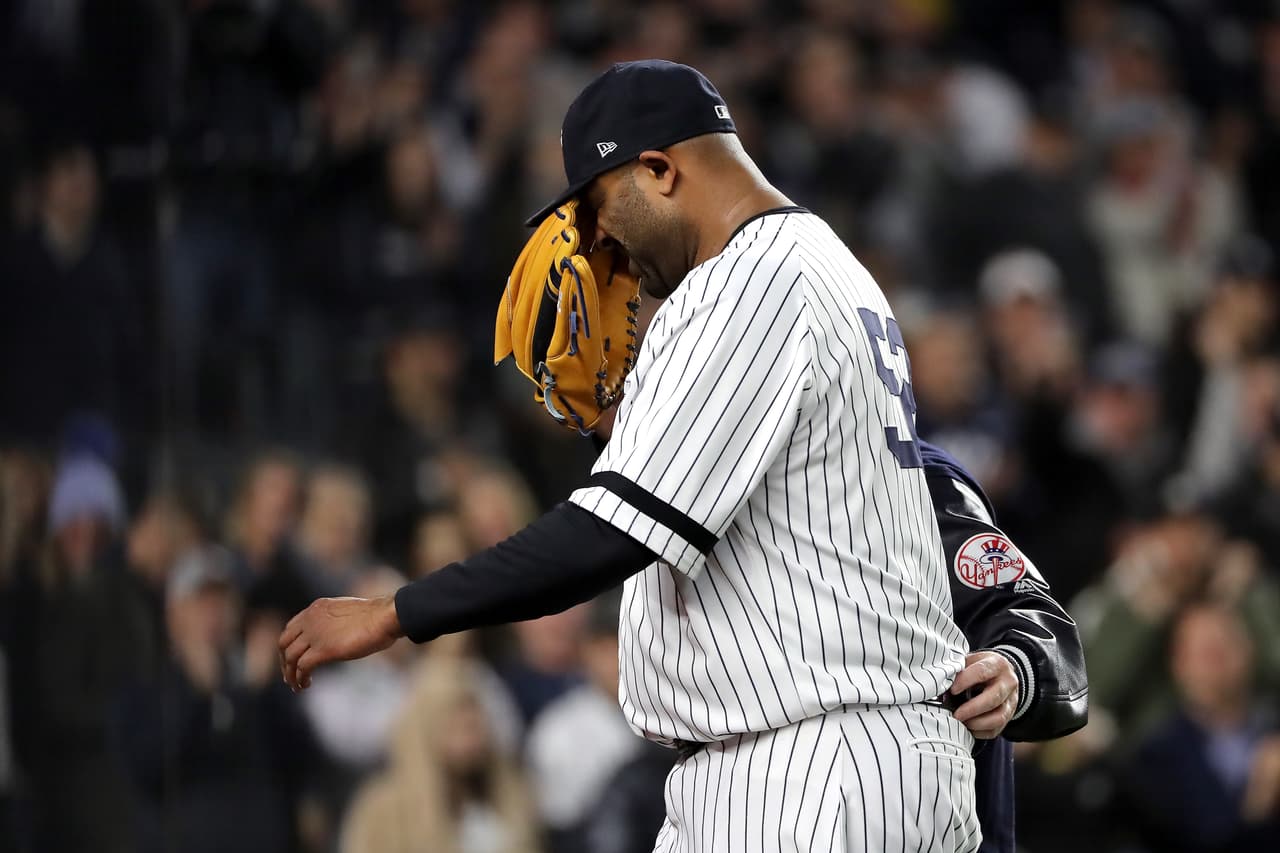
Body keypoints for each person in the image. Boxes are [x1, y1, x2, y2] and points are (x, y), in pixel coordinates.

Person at [283, 59, 983, 851]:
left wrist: (393, 613)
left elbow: (610, 534)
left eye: (598, 205)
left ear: (659, 169)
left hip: (815, 763)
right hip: (801, 759)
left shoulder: (753, 281)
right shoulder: (813, 264)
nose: (596, 240)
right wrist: (612, 419)